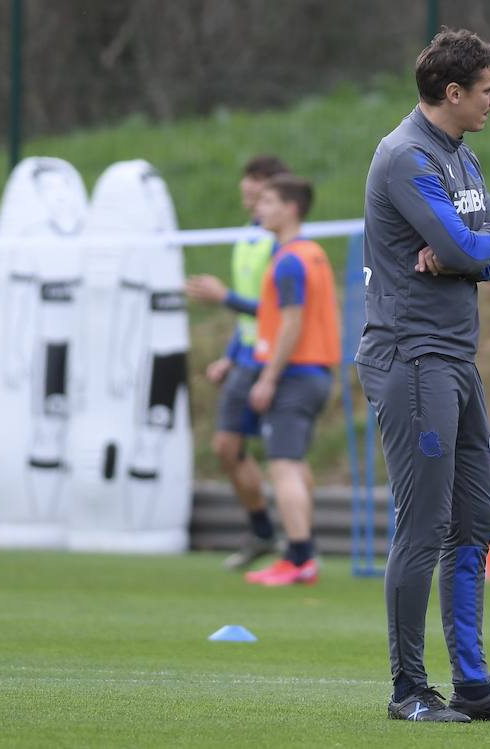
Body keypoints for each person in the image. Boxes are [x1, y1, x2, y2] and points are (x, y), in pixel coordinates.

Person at [356, 28, 490, 724]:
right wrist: (471, 250)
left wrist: (470, 252)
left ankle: (472, 686)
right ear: (452, 92)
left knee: (476, 517)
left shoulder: (461, 155)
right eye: (488, 90)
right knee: (424, 524)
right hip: (412, 360)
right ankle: (409, 687)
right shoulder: (406, 156)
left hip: (455, 358)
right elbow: (467, 246)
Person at [184, 154, 289, 571]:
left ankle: (302, 545)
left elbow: (277, 309)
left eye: (255, 196)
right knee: (227, 447)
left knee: (287, 455)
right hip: (247, 356)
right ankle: (263, 531)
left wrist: (223, 297)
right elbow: (253, 314)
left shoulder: (283, 243)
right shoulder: (248, 235)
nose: (249, 205)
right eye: (246, 197)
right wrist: (229, 356)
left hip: (279, 358)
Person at [234, 175, 338, 588]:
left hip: (295, 374)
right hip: (314, 374)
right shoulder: (311, 254)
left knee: (284, 468)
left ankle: (299, 557)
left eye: (269, 201)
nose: (260, 209)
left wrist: (268, 379)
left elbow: (292, 323)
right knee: (294, 465)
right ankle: (301, 552)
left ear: (292, 208)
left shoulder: (291, 259)